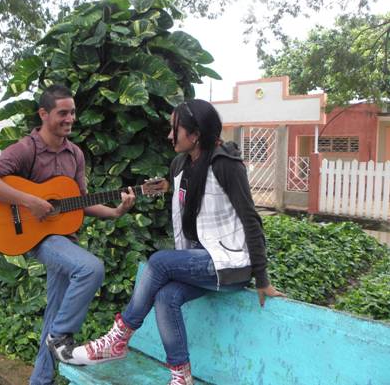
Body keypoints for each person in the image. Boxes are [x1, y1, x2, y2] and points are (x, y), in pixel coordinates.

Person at [69, 99, 285, 385]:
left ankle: (117, 340)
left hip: (230, 264)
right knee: (166, 297)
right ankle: (181, 378)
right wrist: (163, 188)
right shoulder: (179, 164)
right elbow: (189, 187)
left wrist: (262, 279)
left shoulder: (226, 165)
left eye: (176, 129)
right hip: (200, 260)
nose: (170, 135)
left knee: (158, 263)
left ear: (195, 135)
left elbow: (251, 220)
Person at [0, 84, 136, 385]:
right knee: (90, 268)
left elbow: (81, 201)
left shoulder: (75, 154)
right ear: (44, 114)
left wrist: (115, 212)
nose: (70, 118)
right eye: (63, 112)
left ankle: (40, 379)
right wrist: (29, 200)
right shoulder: (27, 148)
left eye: (72, 112)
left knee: (55, 310)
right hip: (34, 237)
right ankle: (60, 338)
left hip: (63, 238)